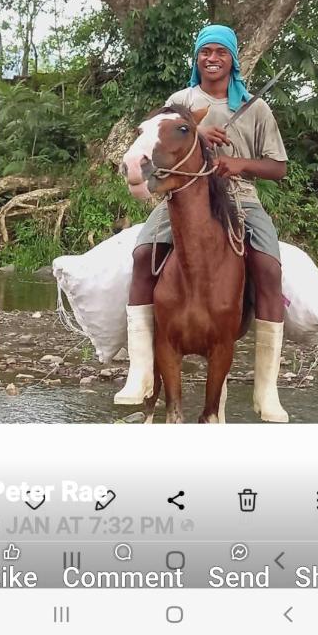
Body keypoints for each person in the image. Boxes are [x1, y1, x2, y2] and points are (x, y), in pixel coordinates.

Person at [115, 24, 289, 422]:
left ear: (232, 59)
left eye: (220, 52)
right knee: (143, 254)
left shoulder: (255, 107)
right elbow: (156, 139)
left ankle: (267, 388)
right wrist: (194, 133)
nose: (211, 58)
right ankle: (140, 369)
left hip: (239, 194)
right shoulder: (181, 99)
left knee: (268, 266)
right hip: (183, 188)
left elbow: (278, 167)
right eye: (204, 51)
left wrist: (239, 163)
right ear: (197, 58)